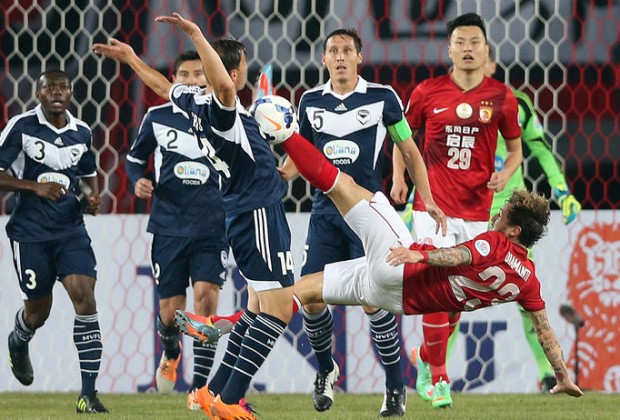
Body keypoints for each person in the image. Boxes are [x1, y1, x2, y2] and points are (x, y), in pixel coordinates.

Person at [179, 130, 584, 404]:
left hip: (402, 266)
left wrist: (420, 254)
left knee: (347, 187)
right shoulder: (528, 280)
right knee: (295, 295)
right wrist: (563, 375)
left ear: (513, 229)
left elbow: (459, 255)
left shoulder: (496, 243)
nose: (495, 219)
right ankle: (225, 330)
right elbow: (544, 329)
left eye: (503, 216)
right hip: (398, 298)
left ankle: (283, 132)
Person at [94, 13, 296, 420]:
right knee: (278, 310)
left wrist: (133, 59)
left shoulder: (192, 102)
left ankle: (211, 392)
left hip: (240, 213)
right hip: (256, 213)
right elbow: (221, 86)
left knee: (257, 309)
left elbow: (164, 87)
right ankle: (228, 400)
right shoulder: (222, 107)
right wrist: (197, 34)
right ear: (236, 73)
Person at [278, 28, 445, 417]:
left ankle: (393, 385)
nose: (339, 56)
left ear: (359, 57)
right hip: (323, 214)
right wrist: (282, 173)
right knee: (310, 298)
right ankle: (325, 369)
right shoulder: (309, 102)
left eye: (346, 50)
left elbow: (409, 148)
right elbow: (301, 155)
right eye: (332, 50)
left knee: (375, 302)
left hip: (369, 217)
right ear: (323, 59)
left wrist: (430, 199)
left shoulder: (383, 97)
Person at [390, 13, 523, 408]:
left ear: (486, 49)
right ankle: (440, 380)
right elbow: (401, 136)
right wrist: (399, 177)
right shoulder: (427, 91)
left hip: (477, 209)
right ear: (449, 48)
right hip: (431, 205)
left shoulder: (502, 97)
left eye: (474, 42)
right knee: (438, 286)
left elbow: (515, 149)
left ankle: (426, 358)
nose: (467, 48)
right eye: (460, 42)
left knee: (458, 296)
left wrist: (506, 175)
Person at [125, 50, 228, 408]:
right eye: (183, 75)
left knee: (206, 303)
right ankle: (171, 351)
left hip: (213, 225)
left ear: (209, 77)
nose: (191, 81)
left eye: (199, 74)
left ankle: (200, 388)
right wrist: (137, 180)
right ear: (174, 79)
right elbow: (135, 159)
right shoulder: (156, 117)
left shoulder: (221, 116)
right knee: (170, 314)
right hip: (169, 226)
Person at [0, 70, 107, 413]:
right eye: (50, 87)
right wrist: (35, 187)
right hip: (30, 233)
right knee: (38, 312)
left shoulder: (81, 132)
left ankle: (88, 395)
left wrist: (92, 198)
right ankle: (19, 340)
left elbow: (88, 176)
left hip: (69, 230)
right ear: (39, 93)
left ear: (72, 93)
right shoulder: (21, 126)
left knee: (85, 299)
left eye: (63, 87)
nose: (57, 92)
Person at [475, 46, 581, 392]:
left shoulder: (514, 102)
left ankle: (546, 372)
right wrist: (417, 203)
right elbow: (436, 160)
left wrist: (562, 191)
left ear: (491, 60)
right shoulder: (450, 103)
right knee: (451, 295)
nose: (474, 59)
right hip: (466, 206)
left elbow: (540, 149)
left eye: (480, 51)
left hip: (509, 210)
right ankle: (435, 376)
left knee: (524, 292)